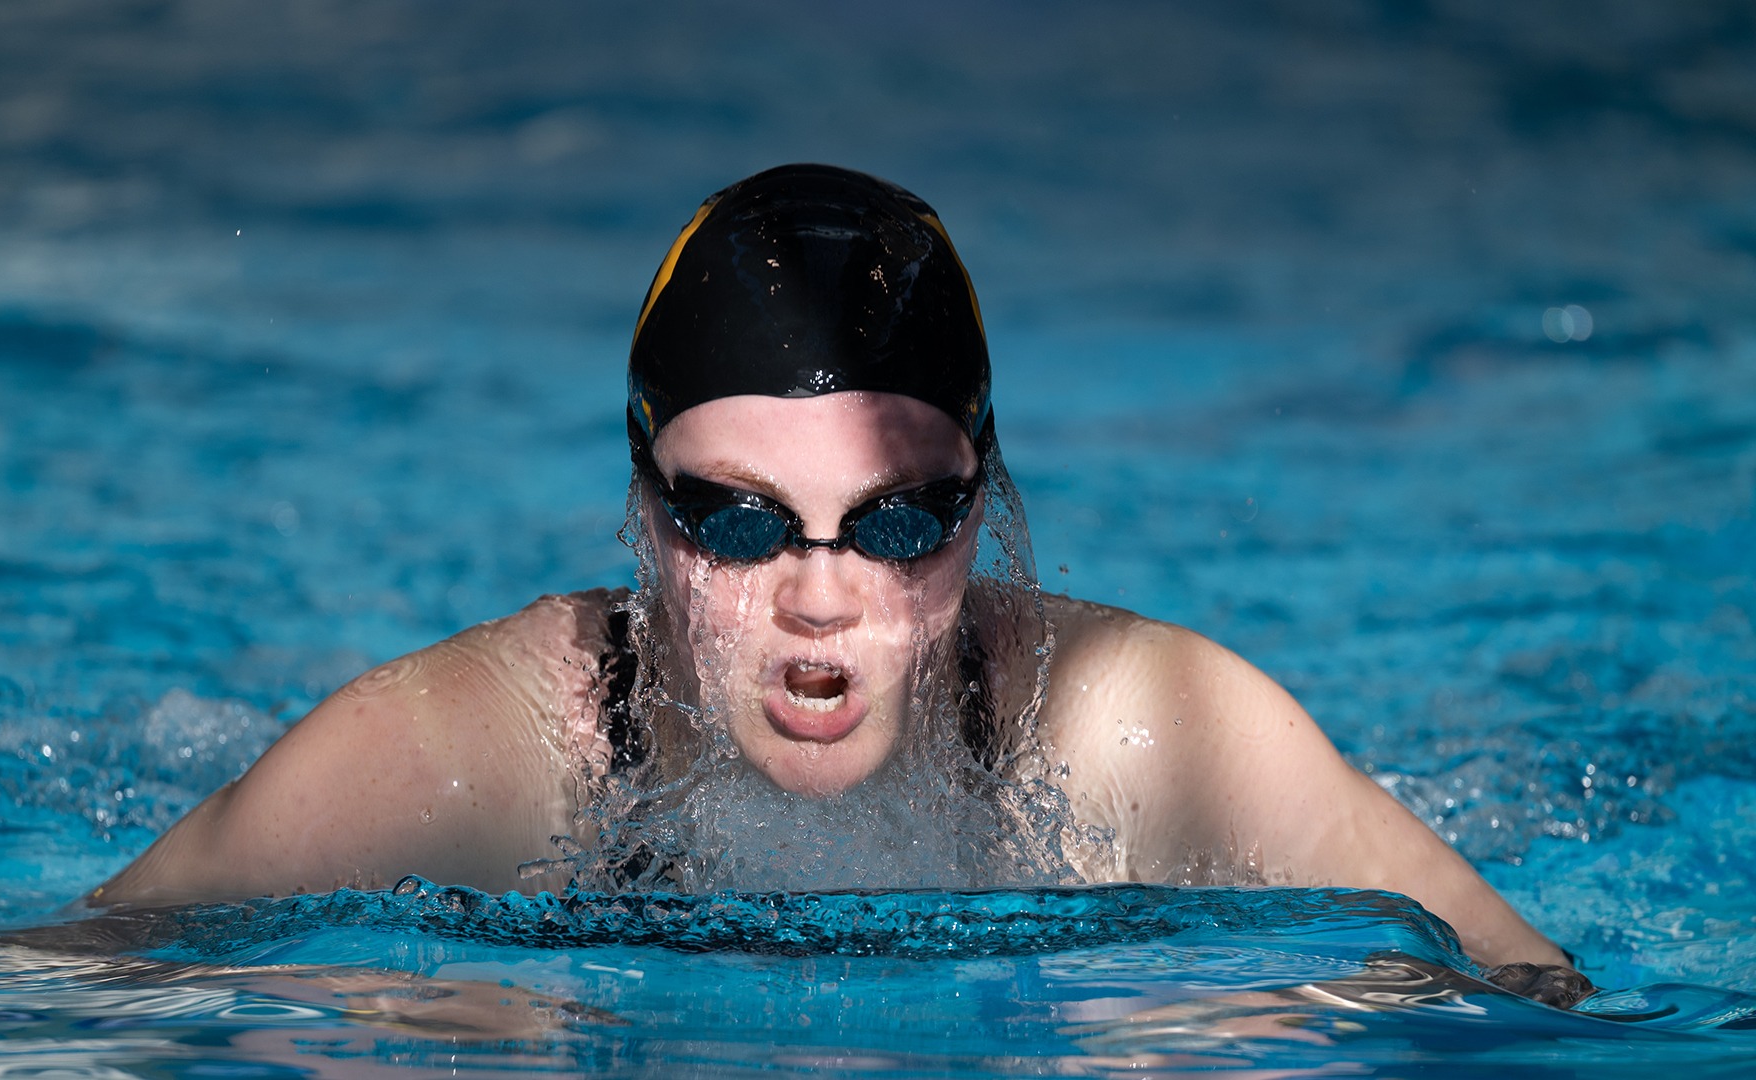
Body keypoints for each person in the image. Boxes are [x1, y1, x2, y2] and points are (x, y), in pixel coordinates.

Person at [91, 164, 1589, 1005]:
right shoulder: (486, 751)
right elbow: (56, 983)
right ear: (641, 501)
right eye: (739, 526)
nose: (819, 599)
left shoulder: (1142, 728)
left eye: (894, 526)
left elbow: (1541, 996)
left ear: (983, 500)